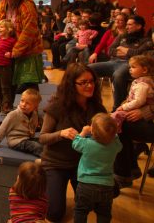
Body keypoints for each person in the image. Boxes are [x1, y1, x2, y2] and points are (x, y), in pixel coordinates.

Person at [39, 63, 106, 222]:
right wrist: (61, 133)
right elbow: (42, 138)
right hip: (56, 163)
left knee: (90, 206)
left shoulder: (97, 108)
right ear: (71, 84)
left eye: (91, 81)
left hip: (83, 165)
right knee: (54, 214)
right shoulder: (57, 106)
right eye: (83, 82)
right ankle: (47, 182)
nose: (89, 85)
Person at [0, 0, 43, 98]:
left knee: (29, 81)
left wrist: (15, 51)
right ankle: (8, 105)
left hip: (29, 50)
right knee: (10, 81)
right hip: (10, 49)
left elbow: (29, 31)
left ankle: (32, 108)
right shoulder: (3, 2)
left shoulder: (27, 4)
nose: (4, 1)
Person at [89, 15, 153, 109]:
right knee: (88, 69)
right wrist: (128, 52)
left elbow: (138, 54)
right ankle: (91, 103)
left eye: (130, 24)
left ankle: (117, 107)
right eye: (126, 24)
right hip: (113, 62)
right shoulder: (122, 36)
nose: (126, 27)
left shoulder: (146, 41)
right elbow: (110, 50)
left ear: (139, 26)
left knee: (118, 75)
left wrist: (123, 49)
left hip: (130, 65)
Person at [72, 113, 121, 223]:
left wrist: (84, 132)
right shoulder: (115, 146)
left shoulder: (87, 144)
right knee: (104, 214)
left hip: (85, 185)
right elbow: (117, 140)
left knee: (80, 211)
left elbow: (75, 143)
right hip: (107, 186)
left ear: (92, 131)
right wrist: (113, 133)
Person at [0, 89, 43, 157]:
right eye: (22, 101)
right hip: (16, 141)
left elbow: (33, 127)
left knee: (43, 141)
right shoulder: (13, 115)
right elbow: (3, 128)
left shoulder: (34, 114)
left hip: (28, 138)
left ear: (35, 107)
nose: (23, 104)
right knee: (36, 146)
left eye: (28, 103)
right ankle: (47, 159)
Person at [111, 55, 154, 131]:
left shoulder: (142, 85)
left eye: (133, 67)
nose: (130, 69)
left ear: (144, 70)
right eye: (130, 67)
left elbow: (139, 101)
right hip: (138, 109)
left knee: (116, 117)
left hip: (139, 110)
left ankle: (112, 133)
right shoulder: (142, 81)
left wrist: (123, 107)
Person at [0, 19, 17, 114]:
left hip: (5, 67)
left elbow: (15, 51)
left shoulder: (12, 40)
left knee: (5, 87)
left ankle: (6, 106)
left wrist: (11, 54)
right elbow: (0, 50)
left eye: (1, 27)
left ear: (9, 29)